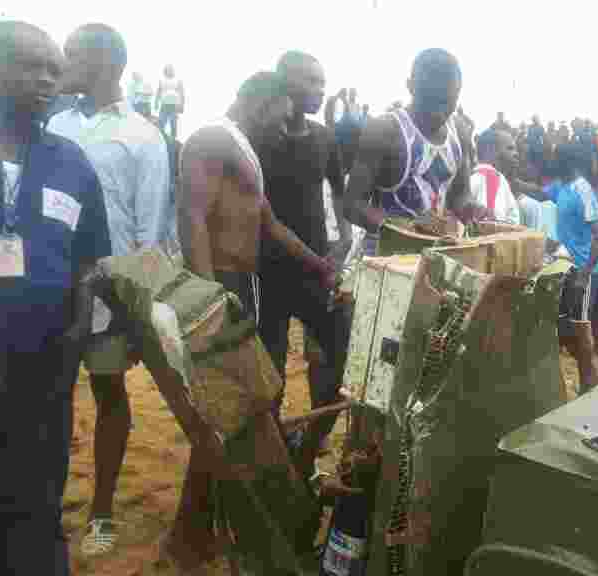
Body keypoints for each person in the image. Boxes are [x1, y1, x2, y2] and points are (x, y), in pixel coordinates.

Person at [165, 70, 336, 571]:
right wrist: (208, 298)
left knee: (238, 408)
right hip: (221, 289)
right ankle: (189, 532)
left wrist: (319, 264)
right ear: (260, 100)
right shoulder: (214, 137)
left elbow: (270, 224)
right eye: (281, 115)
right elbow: (191, 215)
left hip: (244, 288)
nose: (285, 127)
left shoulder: (243, 150)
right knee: (226, 412)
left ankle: (200, 525)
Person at [0, 20, 113, 576]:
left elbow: (90, 257)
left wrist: (81, 322)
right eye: (31, 65)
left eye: (55, 71)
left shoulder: (72, 163)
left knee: (37, 495)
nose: (45, 80)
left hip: (46, 365)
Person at [47, 22, 174, 558]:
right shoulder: (55, 123)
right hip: (52, 288)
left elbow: (148, 236)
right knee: (48, 399)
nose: (61, 63)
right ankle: (43, 509)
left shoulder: (144, 137)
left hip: (109, 296)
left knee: (107, 392)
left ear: (105, 62)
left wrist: (127, 298)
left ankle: (100, 510)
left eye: (72, 54)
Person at [256, 51, 350, 474]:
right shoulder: (260, 139)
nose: (320, 89)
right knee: (269, 368)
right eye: (311, 80)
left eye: (322, 81)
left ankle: (315, 435)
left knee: (342, 352)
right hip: (268, 272)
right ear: (285, 82)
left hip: (317, 269)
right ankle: (274, 450)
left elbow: (339, 190)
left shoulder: (324, 138)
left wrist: (344, 236)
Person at [344, 48, 485, 256]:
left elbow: (459, 195)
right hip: (385, 257)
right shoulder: (385, 130)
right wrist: (398, 228)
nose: (437, 111)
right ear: (410, 86)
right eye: (428, 99)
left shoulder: (460, 132)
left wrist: (471, 209)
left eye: (446, 102)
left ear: (458, 92)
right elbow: (352, 204)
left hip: (437, 256)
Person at [548, 142, 598, 392]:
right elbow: (538, 191)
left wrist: (586, 271)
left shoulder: (583, 190)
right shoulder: (562, 187)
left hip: (584, 269)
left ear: (567, 162)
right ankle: (588, 378)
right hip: (566, 267)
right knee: (567, 326)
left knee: (581, 328)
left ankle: (588, 383)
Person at [471, 128, 520, 224]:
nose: (516, 153)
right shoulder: (491, 177)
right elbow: (490, 225)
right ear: (491, 150)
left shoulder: (474, 176)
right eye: (510, 148)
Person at [156, 64, 184, 139]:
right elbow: (159, 91)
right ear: (165, 71)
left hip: (174, 105)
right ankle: (161, 138)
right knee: (161, 123)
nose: (169, 71)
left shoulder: (178, 80)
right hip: (164, 105)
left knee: (173, 124)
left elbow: (181, 93)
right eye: (167, 69)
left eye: (170, 69)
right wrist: (156, 102)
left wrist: (182, 105)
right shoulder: (161, 80)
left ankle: (173, 139)